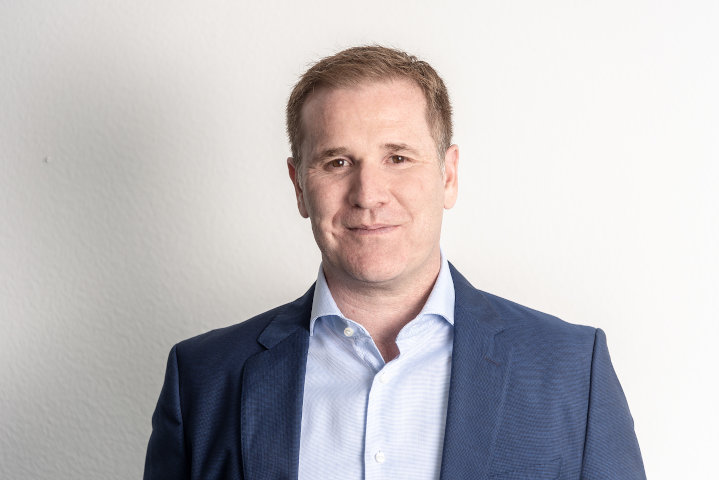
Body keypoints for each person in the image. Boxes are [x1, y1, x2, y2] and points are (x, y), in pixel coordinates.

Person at [144, 46, 645, 480]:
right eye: (338, 162)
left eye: (398, 158)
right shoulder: (204, 380)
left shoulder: (571, 371)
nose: (368, 194)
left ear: (448, 176)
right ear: (299, 186)